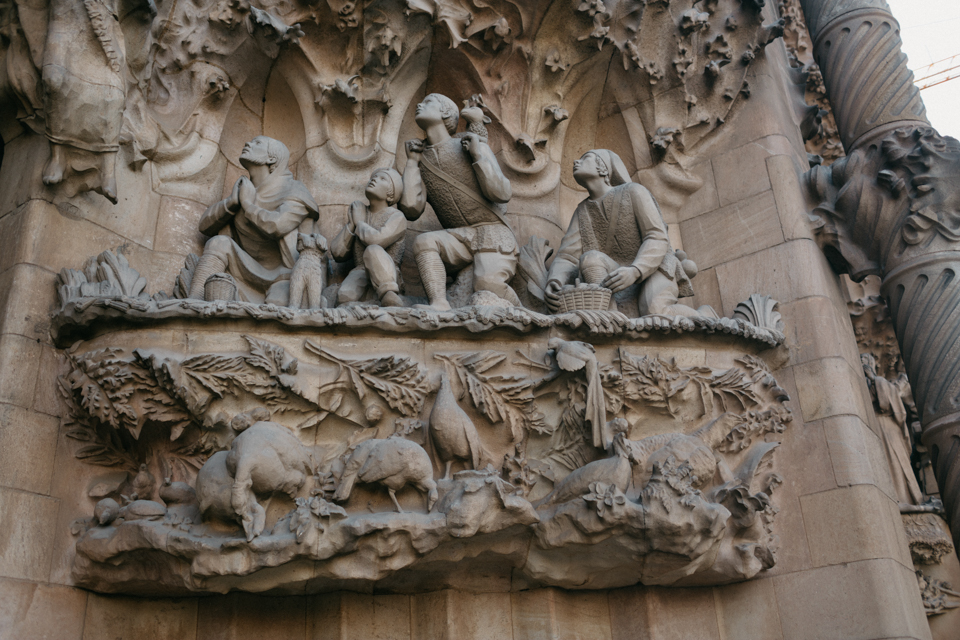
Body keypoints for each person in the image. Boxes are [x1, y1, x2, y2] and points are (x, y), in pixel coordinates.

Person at [545, 149, 709, 318]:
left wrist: (635, 271)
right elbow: (567, 256)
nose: (575, 162)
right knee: (590, 258)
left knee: (654, 310)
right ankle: (609, 317)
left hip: (653, 269)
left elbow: (657, 237)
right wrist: (555, 280)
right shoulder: (582, 211)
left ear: (603, 169)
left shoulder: (634, 192)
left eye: (586, 158)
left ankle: (705, 316)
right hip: (615, 274)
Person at [399, 93, 517, 310]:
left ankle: (519, 308)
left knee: (487, 286)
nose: (419, 104)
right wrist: (412, 164)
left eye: (428, 102)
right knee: (424, 242)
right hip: (460, 237)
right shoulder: (420, 158)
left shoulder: (468, 143)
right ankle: (439, 304)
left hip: (492, 233)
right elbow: (411, 209)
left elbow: (501, 192)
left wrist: (477, 155)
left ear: (446, 112)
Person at [188, 136, 319, 303]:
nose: (247, 143)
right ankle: (193, 301)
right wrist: (231, 203)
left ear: (272, 159)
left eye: (257, 143)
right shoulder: (245, 191)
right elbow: (204, 226)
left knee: (277, 303)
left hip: (285, 275)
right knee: (218, 243)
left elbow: (278, 225)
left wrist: (248, 205)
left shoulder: (294, 189)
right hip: (244, 270)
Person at [330, 167, 407, 307]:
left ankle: (389, 294)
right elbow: (337, 253)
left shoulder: (397, 217)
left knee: (372, 250)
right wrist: (352, 224)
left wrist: (359, 222)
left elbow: (376, 240)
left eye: (382, 178)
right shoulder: (360, 212)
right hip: (361, 270)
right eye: (373, 177)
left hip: (386, 270)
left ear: (391, 195)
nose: (374, 179)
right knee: (344, 296)